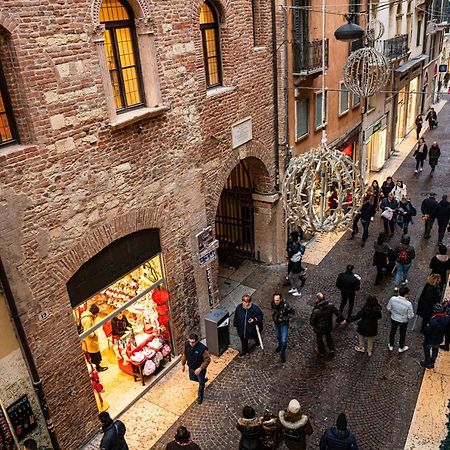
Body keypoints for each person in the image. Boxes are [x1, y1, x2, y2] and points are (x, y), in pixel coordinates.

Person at [181, 333, 211, 404]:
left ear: (197, 341)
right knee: (192, 378)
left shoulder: (202, 349)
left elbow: (207, 360)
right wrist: (183, 364)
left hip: (200, 370)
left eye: (193, 342)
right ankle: (204, 380)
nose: (191, 344)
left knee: (201, 384)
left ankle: (200, 397)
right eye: (190, 342)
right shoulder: (186, 345)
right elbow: (185, 354)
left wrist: (200, 368)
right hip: (191, 367)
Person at [421, 303, 450, 369]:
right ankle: (432, 362)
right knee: (435, 350)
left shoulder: (432, 320)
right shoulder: (446, 319)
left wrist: (425, 329)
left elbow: (427, 331)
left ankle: (427, 362)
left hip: (429, 340)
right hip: (439, 339)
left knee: (426, 351)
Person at [387, 286, 415, 353]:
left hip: (394, 318)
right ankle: (401, 347)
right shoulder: (408, 304)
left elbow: (388, 308)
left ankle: (391, 345)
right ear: (406, 294)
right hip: (403, 321)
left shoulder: (393, 299)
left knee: (392, 332)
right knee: (402, 334)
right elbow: (410, 316)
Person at [81, 304, 108, 371]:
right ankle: (97, 368)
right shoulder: (88, 319)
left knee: (93, 354)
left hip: (88, 341)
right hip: (90, 341)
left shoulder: (85, 314)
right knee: (94, 355)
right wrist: (94, 335)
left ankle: (96, 367)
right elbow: (87, 331)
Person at [271, 293, 295, 363]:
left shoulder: (285, 305)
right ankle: (280, 345)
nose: (276, 302)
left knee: (284, 340)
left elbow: (292, 313)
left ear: (281, 299)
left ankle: (282, 353)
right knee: (278, 336)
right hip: (277, 323)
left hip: (284, 324)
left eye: (277, 300)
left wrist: (285, 319)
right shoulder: (273, 303)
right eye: (275, 300)